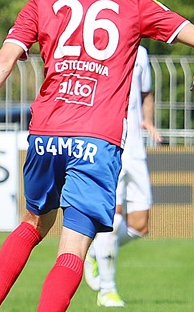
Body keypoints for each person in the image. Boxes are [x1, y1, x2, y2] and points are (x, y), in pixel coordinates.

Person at [0, 0, 194, 311]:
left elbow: (3, 62)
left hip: (46, 131)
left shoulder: (40, 2)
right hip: (96, 138)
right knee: (73, 244)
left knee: (33, 224)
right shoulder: (130, 0)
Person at [82, 45, 162, 307]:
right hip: (108, 146)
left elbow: (146, 93)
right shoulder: (95, 49)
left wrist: (148, 120)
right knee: (112, 222)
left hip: (136, 149)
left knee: (140, 226)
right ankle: (107, 289)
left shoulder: (140, 53)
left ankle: (95, 250)